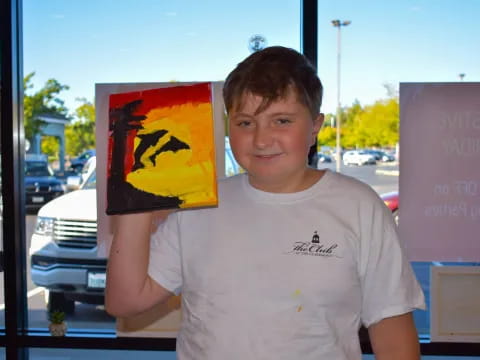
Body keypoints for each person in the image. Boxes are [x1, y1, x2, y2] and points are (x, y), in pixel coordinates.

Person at [105, 46, 425, 359]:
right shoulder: (197, 208)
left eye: (281, 121)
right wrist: (136, 193)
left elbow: (394, 338)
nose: (260, 139)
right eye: (245, 123)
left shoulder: (358, 206)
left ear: (315, 126)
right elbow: (124, 301)